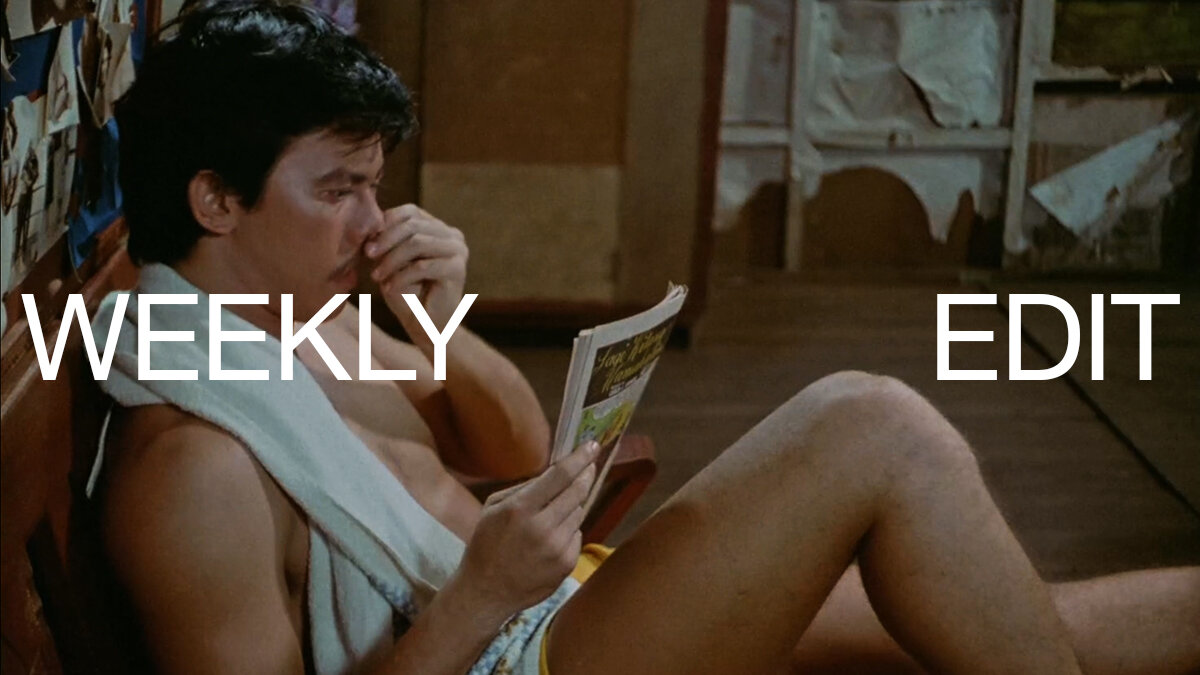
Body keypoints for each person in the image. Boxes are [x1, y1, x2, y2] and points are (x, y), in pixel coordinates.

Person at [94, 2, 1200, 674]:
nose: (376, 223)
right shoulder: (193, 470)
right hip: (517, 646)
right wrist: (481, 595)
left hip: (555, 605)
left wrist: (435, 327)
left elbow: (512, 451)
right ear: (216, 200)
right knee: (874, 427)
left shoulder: (307, 319)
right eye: (338, 189)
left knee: (1004, 616)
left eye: (375, 186)